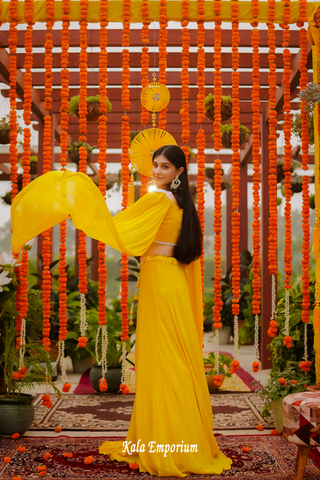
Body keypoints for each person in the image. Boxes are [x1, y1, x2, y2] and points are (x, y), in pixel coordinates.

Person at [11, 145, 232, 477]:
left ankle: (165, 443)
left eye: (165, 166)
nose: (157, 171)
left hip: (160, 280)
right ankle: (178, 439)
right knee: (170, 359)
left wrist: (81, 206)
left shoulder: (159, 198)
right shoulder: (181, 202)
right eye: (155, 165)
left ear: (179, 172)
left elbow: (122, 233)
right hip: (167, 277)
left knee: (162, 360)